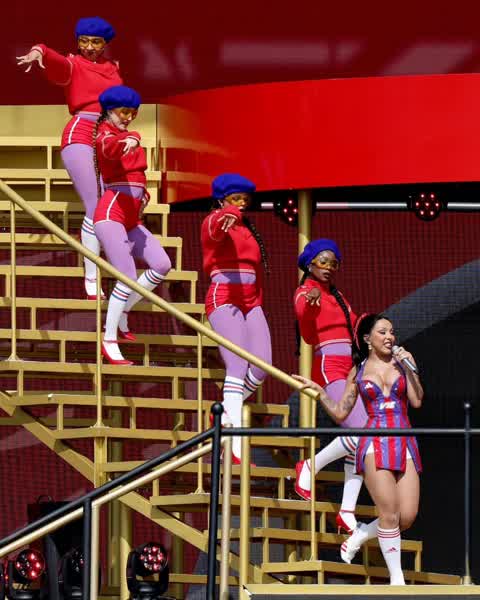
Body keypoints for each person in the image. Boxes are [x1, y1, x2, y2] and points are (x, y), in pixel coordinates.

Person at [293, 313, 423, 585]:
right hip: (373, 442)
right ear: (367, 339)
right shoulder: (359, 370)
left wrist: (410, 367)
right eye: (382, 332)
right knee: (389, 513)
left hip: (403, 438)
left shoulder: (402, 363)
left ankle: (362, 533)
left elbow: (417, 400)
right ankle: (396, 579)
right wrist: (321, 393)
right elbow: (341, 412)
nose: (389, 337)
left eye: (392, 332)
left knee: (407, 516)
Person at [16, 17, 123, 299]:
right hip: (81, 131)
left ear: (105, 44)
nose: (88, 47)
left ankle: (104, 261)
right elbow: (56, 62)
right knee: (95, 203)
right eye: (83, 41)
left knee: (108, 203)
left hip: (108, 135)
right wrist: (39, 51)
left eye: (95, 42)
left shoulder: (113, 68)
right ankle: (91, 277)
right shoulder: (73, 64)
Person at [92, 85, 171, 365]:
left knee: (162, 264)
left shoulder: (126, 136)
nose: (128, 117)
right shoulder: (105, 136)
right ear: (109, 111)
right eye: (124, 112)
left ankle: (124, 310)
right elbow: (109, 150)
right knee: (126, 275)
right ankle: (108, 339)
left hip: (130, 217)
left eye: (133, 113)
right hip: (111, 214)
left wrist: (143, 195)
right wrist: (131, 138)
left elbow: (136, 176)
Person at [294, 239, 367, 535]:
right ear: (310, 263)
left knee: (366, 436)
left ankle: (347, 511)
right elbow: (308, 333)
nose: (329, 267)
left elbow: (355, 326)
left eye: (334, 263)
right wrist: (310, 306)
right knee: (363, 432)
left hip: (350, 367)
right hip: (329, 364)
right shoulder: (305, 292)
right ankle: (310, 466)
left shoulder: (337, 295)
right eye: (323, 261)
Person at [201, 173, 272, 463]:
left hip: (250, 298)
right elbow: (215, 231)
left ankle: (224, 411)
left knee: (262, 366)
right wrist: (226, 214)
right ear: (222, 199)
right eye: (235, 198)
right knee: (237, 365)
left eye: (245, 199)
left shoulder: (246, 228)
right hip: (225, 295)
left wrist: (256, 300)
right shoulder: (215, 220)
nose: (241, 203)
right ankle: (234, 444)